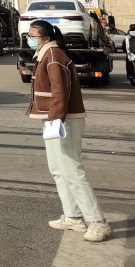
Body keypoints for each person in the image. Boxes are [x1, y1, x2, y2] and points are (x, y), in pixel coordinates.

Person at [26, 20, 112, 243]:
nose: (29, 39)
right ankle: (73, 216)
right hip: (54, 119)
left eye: (32, 35)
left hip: (64, 120)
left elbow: (60, 92)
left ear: (45, 37)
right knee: (58, 169)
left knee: (72, 170)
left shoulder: (54, 56)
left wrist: (56, 120)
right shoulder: (47, 54)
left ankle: (97, 222)